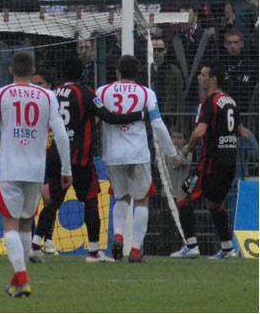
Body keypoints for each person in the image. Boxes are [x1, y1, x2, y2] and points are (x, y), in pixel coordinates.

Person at [0, 51, 73, 297]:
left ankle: (22, 279)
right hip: (36, 171)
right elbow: (60, 135)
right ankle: (17, 281)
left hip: (11, 169)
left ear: (11, 70)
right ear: (33, 71)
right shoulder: (47, 95)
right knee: (26, 227)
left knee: (10, 227)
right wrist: (66, 169)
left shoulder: (0, 94)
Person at [30, 56, 147, 264]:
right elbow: (109, 117)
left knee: (52, 203)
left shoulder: (51, 94)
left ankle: (35, 244)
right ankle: (93, 252)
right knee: (91, 201)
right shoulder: (86, 94)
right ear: (81, 73)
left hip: (55, 153)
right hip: (79, 157)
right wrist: (139, 115)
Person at [95, 55, 180, 263]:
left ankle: (118, 235)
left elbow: (95, 119)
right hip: (137, 153)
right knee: (142, 200)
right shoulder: (146, 93)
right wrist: (172, 152)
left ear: (118, 71)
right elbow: (158, 124)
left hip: (112, 154)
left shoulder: (102, 91)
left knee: (121, 196)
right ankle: (135, 250)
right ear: (138, 73)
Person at [170, 63, 256, 259]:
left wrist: (184, 151)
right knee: (213, 202)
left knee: (183, 197)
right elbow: (242, 132)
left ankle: (191, 246)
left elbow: (199, 132)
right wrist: (257, 151)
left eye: (203, 75)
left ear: (213, 79)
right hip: (229, 163)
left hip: (211, 162)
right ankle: (227, 249)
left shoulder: (210, 103)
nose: (200, 78)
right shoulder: (230, 101)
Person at [149, 36, 185, 128]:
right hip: (148, 117)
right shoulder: (144, 70)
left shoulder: (174, 71)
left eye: (160, 50)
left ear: (165, 51)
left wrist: (178, 126)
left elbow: (179, 100)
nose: (156, 52)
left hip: (168, 118)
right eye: (154, 49)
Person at [218, 29, 258, 114]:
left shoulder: (251, 65)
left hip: (246, 111)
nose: (233, 46)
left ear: (242, 44)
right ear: (225, 44)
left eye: (236, 42)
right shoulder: (219, 65)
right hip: (224, 111)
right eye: (230, 43)